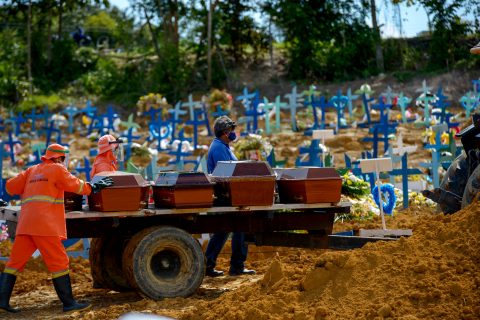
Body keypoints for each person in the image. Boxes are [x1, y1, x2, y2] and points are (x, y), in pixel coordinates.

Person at [0, 143, 113, 313]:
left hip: (26, 224)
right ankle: (69, 303)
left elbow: (10, 187)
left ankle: (2, 301)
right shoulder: (57, 169)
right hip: (44, 225)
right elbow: (76, 185)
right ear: (60, 158)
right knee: (59, 262)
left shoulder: (32, 170)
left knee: (14, 263)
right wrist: (93, 187)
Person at [204, 116, 256, 277]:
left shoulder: (223, 146)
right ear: (225, 132)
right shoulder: (219, 147)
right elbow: (229, 172)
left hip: (229, 193)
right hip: (227, 195)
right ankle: (237, 266)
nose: (234, 133)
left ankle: (208, 264)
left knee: (223, 230)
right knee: (240, 227)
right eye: (231, 130)